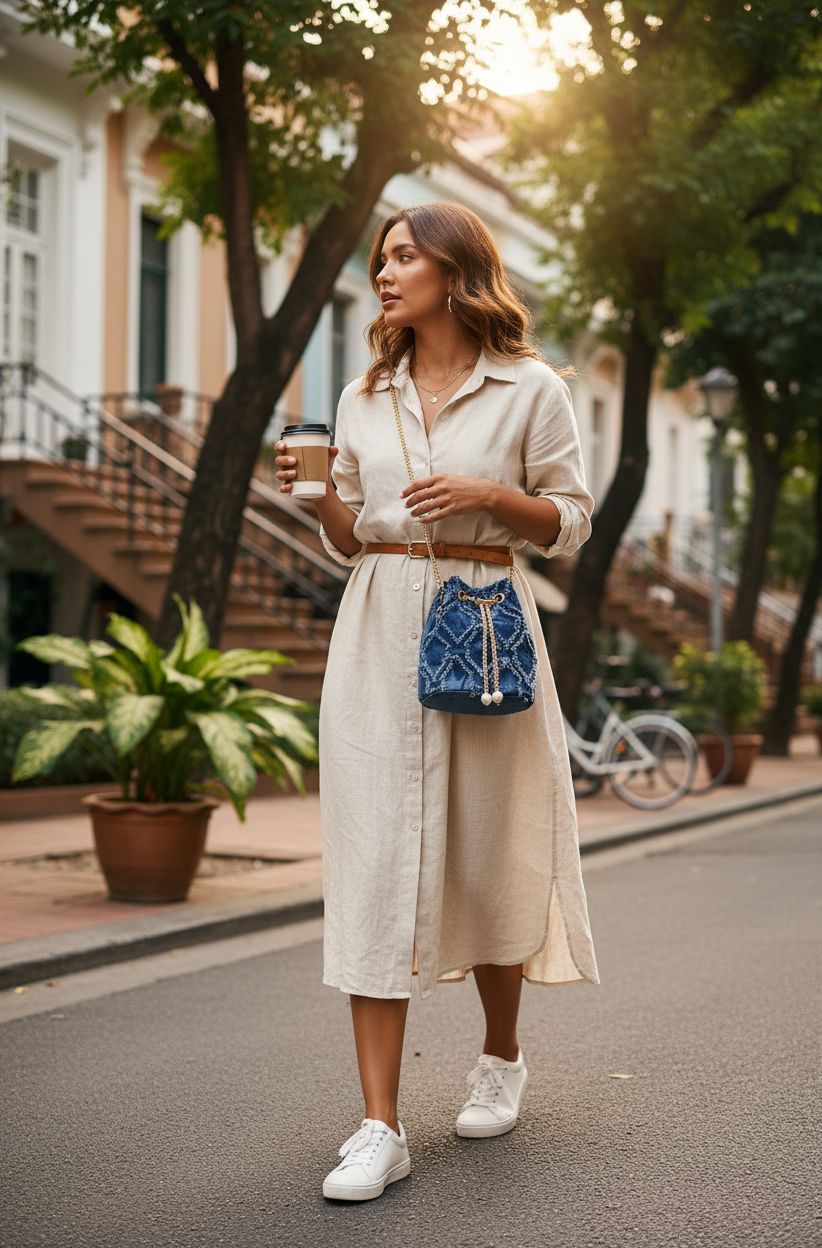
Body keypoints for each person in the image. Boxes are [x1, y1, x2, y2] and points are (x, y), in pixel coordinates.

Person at [274, 201, 600, 1203]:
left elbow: (571, 523)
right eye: (381, 259)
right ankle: (380, 1125)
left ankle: (500, 1055)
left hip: (486, 624)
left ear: (455, 271)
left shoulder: (531, 388)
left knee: (487, 851)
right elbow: (350, 537)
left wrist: (489, 496)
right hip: (377, 629)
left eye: (403, 256)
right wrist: (319, 492)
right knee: (373, 865)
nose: (383, 272)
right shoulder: (363, 391)